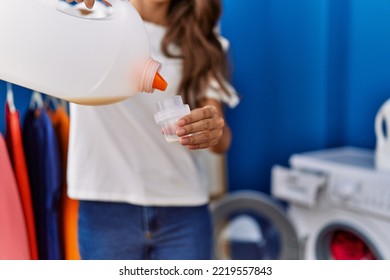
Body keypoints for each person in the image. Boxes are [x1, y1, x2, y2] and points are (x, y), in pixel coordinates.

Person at [66, 0, 239, 260]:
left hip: (184, 211)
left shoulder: (200, 35)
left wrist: (213, 128)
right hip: (106, 205)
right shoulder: (88, 16)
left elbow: (221, 140)